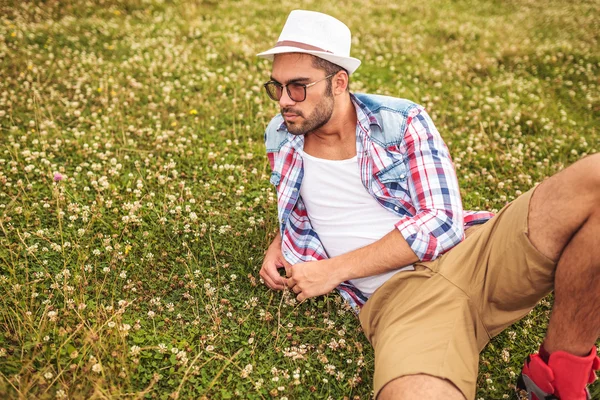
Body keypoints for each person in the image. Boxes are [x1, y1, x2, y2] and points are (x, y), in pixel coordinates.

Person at [257, 9, 599, 400]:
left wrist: (333, 270)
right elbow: (298, 199)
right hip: (403, 301)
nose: (284, 101)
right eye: (276, 86)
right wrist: (283, 237)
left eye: (298, 87)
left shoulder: (400, 121)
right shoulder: (282, 136)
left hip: (473, 252)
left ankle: (555, 377)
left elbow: (441, 224)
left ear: (338, 82)